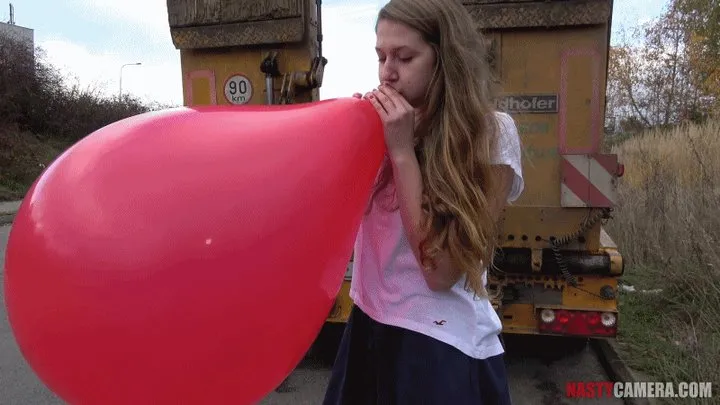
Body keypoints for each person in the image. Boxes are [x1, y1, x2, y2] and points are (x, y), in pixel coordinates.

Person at [322, 0, 524, 404]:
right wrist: (352, 143)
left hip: (438, 345)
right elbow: (336, 226)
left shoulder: (490, 134)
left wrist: (402, 154)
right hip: (369, 327)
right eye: (381, 56)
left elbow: (440, 271)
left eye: (405, 57)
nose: (387, 72)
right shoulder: (385, 129)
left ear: (444, 60)